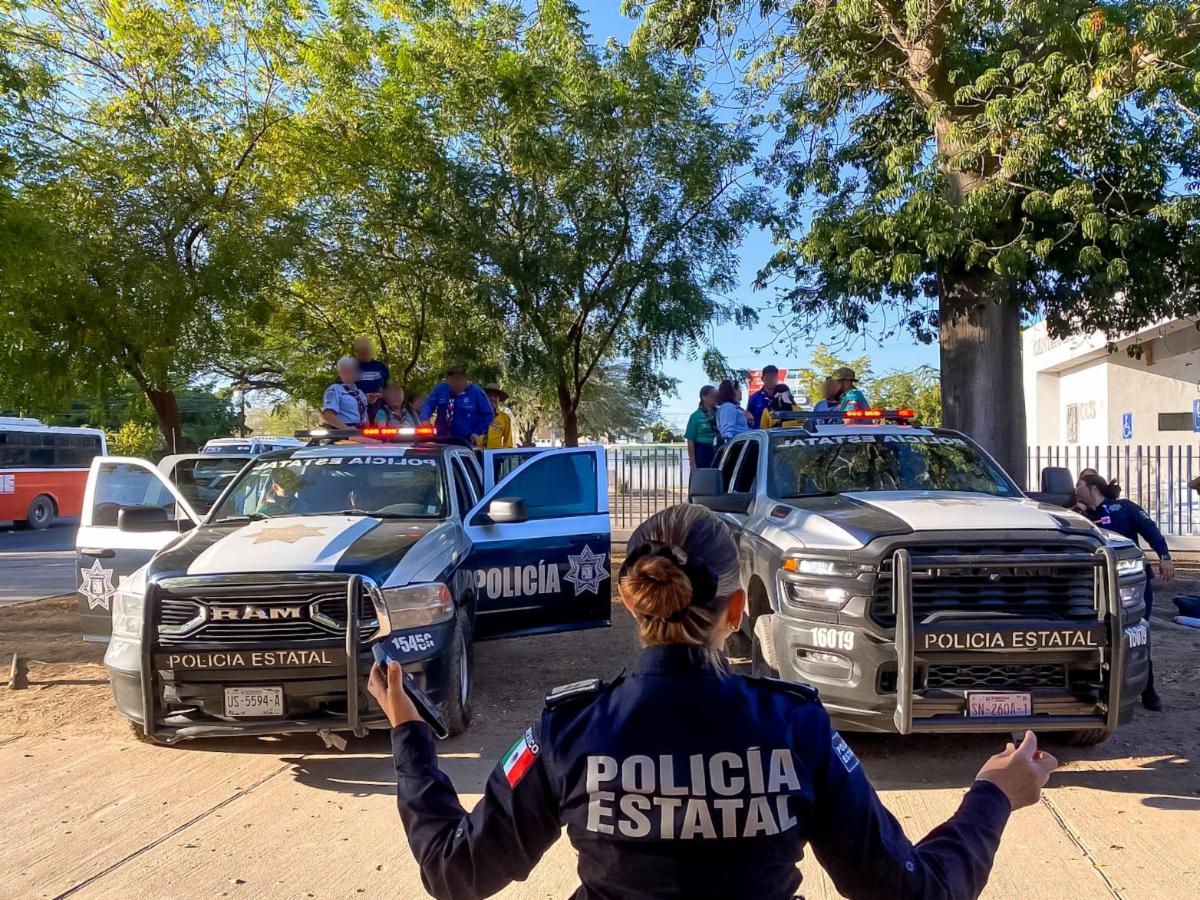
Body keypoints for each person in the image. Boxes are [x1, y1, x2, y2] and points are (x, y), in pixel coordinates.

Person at [369, 504, 1056, 900]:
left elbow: (454, 870)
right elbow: (912, 894)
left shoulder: (569, 727)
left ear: (629, 600)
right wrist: (993, 795)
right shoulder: (795, 725)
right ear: (736, 608)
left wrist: (411, 738)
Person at [1075, 473, 1173, 711]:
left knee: (1138, 633)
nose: (1074, 489)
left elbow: (1150, 530)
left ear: (1092, 488)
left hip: (1130, 584)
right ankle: (1095, 689)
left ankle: (1148, 690)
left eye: (1078, 485)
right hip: (1095, 587)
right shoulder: (1077, 515)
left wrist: (1165, 557)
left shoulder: (1123, 508)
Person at [420, 367, 495, 444]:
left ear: (464, 380)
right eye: (451, 383)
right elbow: (428, 405)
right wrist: (424, 419)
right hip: (441, 438)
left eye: (457, 382)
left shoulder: (477, 393)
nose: (454, 385)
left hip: (465, 440)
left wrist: (477, 432)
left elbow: (488, 415)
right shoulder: (440, 389)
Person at [320, 356, 368, 429]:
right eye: (348, 370)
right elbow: (327, 415)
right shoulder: (335, 389)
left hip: (361, 431)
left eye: (354, 370)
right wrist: (346, 429)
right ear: (340, 372)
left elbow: (365, 414)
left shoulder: (359, 393)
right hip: (343, 433)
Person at [353, 337, 390, 419]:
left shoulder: (381, 367)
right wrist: (363, 397)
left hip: (380, 413)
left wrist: (379, 395)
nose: (365, 353)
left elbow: (390, 390)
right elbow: (341, 391)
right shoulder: (350, 367)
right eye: (362, 351)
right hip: (356, 414)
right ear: (356, 352)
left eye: (367, 350)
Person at [684, 385, 719, 469]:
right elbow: (690, 440)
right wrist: (692, 462)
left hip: (718, 449)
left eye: (716, 395)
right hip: (702, 450)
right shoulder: (696, 416)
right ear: (704, 397)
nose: (715, 397)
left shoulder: (720, 413)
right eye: (712, 395)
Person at [714, 379, 750, 447]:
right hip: (738, 448)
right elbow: (727, 434)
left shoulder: (734, 408)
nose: (741, 392)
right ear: (733, 391)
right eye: (739, 389)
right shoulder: (728, 408)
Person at [478, 383, 515, 449]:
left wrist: (502, 455)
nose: (492, 398)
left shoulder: (505, 418)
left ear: (499, 399)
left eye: (495, 396)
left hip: (495, 456)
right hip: (475, 455)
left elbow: (508, 443)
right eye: (489, 395)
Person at [746, 365, 779, 430]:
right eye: (768, 377)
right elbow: (749, 420)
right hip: (760, 436)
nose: (771, 379)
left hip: (780, 436)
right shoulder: (754, 399)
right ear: (762, 379)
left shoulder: (783, 397)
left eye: (773, 376)